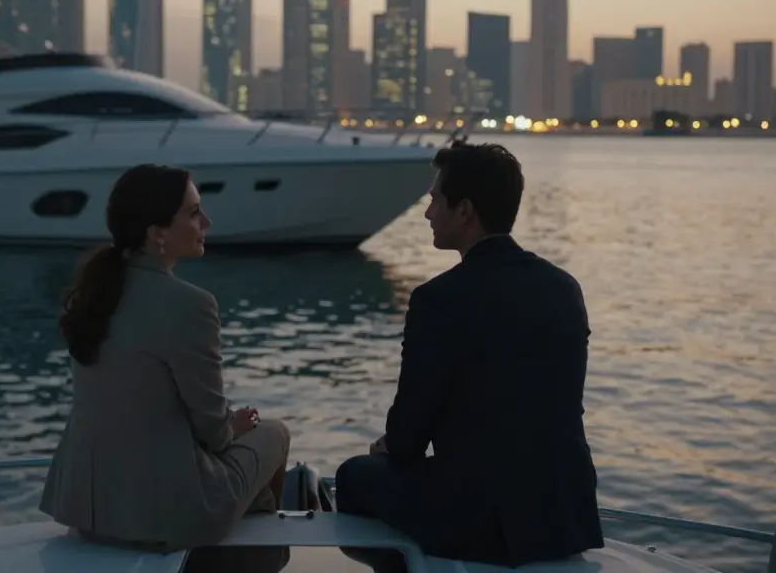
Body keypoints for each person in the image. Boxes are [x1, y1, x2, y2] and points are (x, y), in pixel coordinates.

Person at [335, 141, 604, 568]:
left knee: (354, 475)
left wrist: (389, 449)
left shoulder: (438, 300)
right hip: (563, 514)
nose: (427, 213)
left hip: (481, 521)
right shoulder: (564, 289)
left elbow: (406, 440)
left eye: (435, 201)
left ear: (464, 211)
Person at [39, 163, 291, 555]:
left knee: (244, 473)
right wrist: (235, 426)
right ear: (157, 233)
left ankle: (252, 520)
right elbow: (213, 431)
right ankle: (263, 559)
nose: (206, 220)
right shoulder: (190, 304)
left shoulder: (96, 292)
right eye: (193, 213)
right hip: (163, 517)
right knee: (274, 433)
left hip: (89, 512)